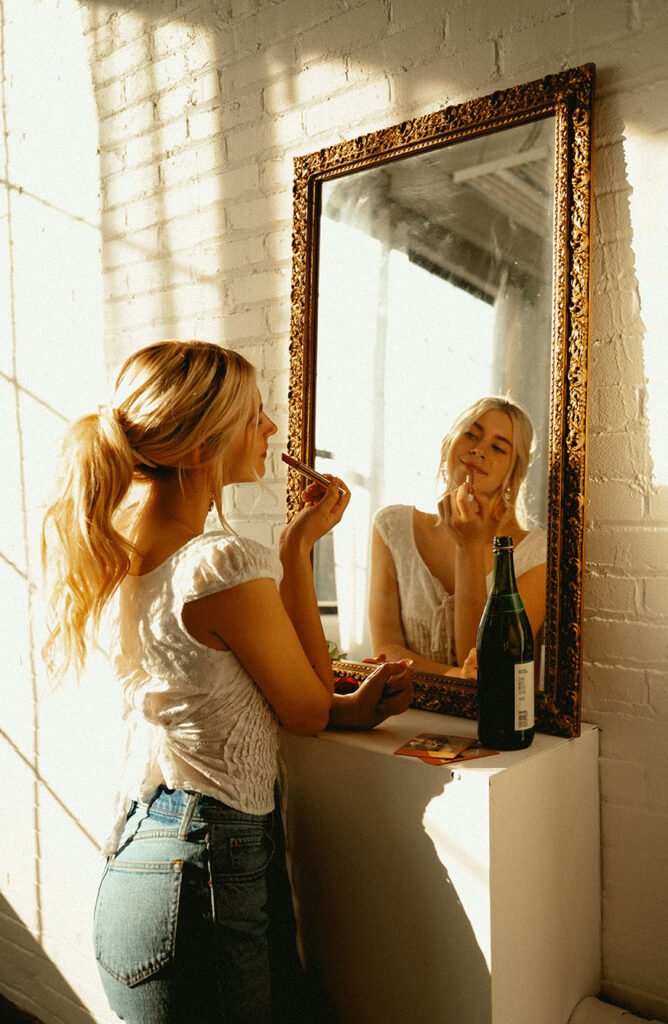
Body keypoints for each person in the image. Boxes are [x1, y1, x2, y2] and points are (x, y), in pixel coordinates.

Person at [41, 340, 414, 1024]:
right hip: (201, 870)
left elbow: (234, 692)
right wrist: (298, 547)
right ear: (194, 450)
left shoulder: (121, 554)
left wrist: (342, 708)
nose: (270, 430)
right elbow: (303, 706)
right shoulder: (218, 563)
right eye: (255, 416)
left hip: (151, 857)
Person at [368, 396, 547, 677]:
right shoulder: (393, 527)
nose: (478, 450)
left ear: (514, 475)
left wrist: (469, 546)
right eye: (471, 435)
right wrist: (453, 677)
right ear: (447, 443)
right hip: (407, 714)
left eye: (498, 448)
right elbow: (386, 650)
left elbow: (482, 662)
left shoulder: (536, 554)